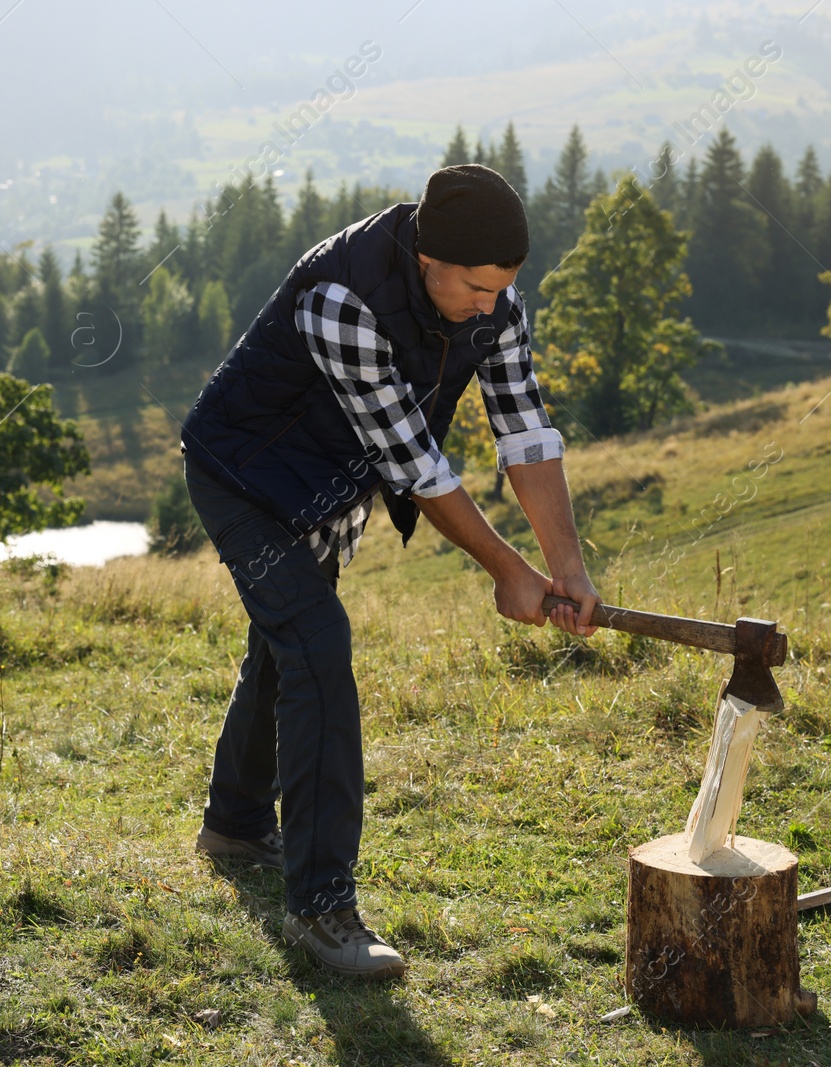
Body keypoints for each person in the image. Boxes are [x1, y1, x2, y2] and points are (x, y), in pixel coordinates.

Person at [180, 163, 600, 979]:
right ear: (426, 257)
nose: (491, 306)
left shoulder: (491, 300)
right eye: (476, 288)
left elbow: (524, 428)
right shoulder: (343, 296)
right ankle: (324, 906)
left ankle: (234, 822)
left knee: (288, 645)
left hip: (325, 487)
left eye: (502, 289)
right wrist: (508, 570)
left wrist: (567, 566)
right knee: (316, 644)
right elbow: (414, 460)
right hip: (243, 477)